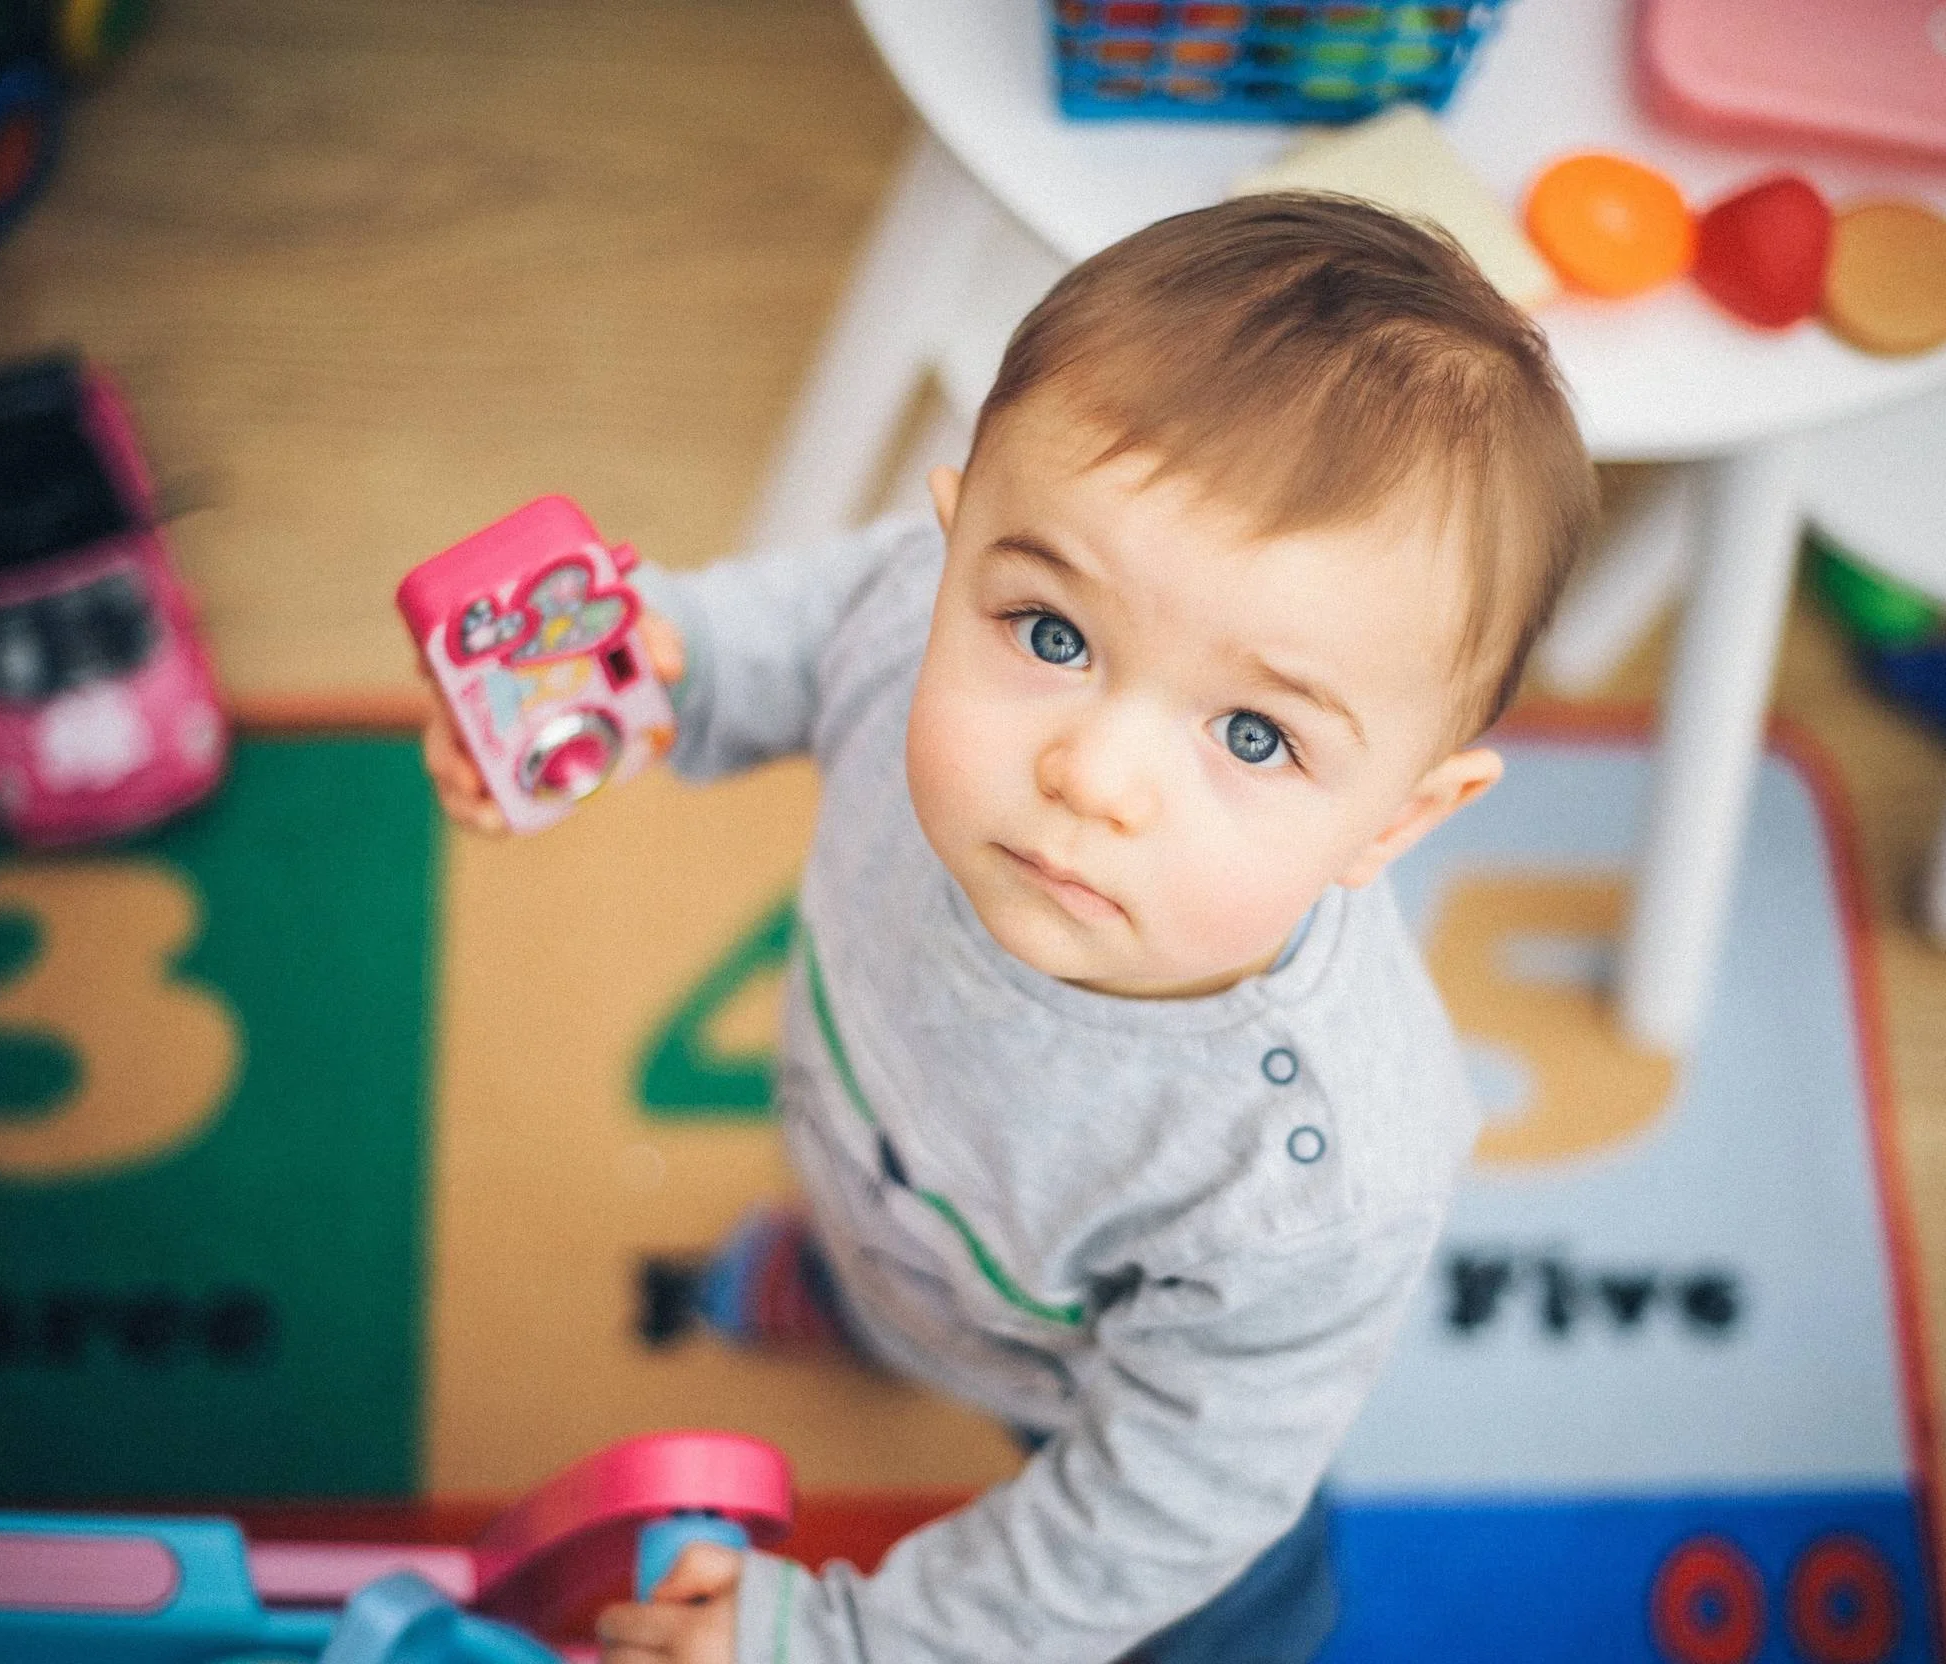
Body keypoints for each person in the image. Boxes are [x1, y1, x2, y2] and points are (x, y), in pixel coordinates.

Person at [423, 192, 1595, 1664]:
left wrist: (848, 1642)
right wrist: (642, 670)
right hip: (903, 1188)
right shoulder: (918, 605)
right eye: (1053, 636)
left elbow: (1151, 1509)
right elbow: (791, 624)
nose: (1093, 777)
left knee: (1213, 1599)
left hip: (1111, 1415)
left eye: (1251, 733)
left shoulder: (1315, 1181)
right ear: (957, 537)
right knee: (889, 1246)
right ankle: (864, 1306)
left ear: (1399, 821)